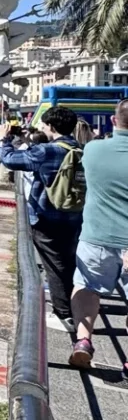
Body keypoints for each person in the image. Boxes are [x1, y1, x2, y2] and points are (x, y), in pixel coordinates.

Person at [0, 105, 85, 334]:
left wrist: (4, 140)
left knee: (54, 265)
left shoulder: (47, 151)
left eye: (45, 125)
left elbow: (9, 160)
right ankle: (73, 306)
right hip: (74, 215)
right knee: (67, 261)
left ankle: (64, 314)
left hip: (46, 216)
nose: (43, 128)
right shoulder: (79, 148)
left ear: (52, 126)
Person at [71, 97, 128, 366]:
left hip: (96, 237)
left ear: (114, 120)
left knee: (86, 286)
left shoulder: (93, 150)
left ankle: (83, 340)